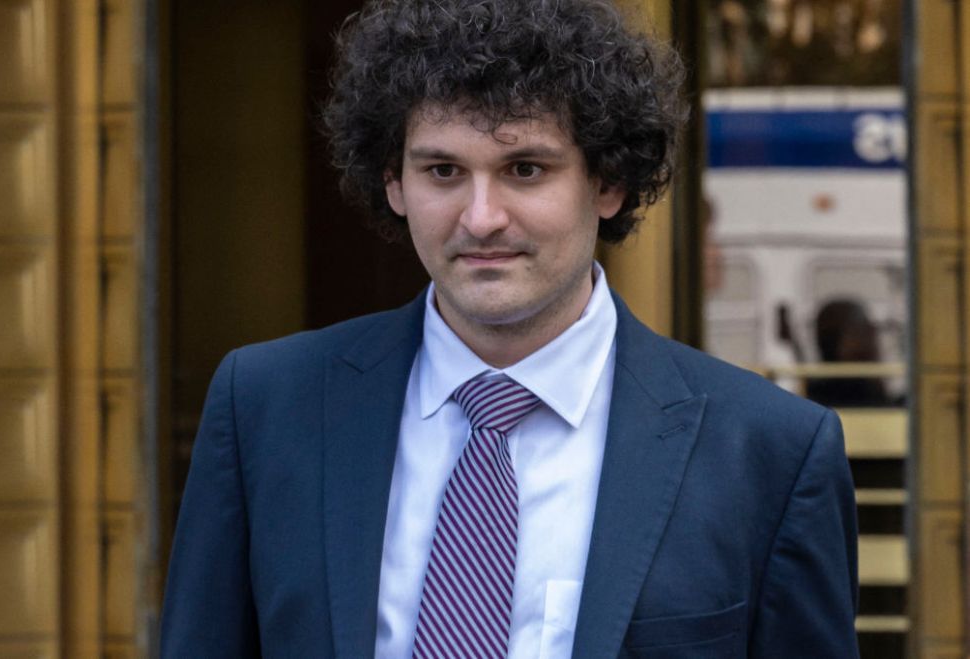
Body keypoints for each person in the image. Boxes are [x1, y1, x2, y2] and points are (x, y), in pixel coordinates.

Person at [160, 0, 859, 657]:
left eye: (525, 168)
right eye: (443, 170)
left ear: (608, 181)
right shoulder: (264, 406)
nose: (481, 217)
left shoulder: (771, 453)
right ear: (395, 184)